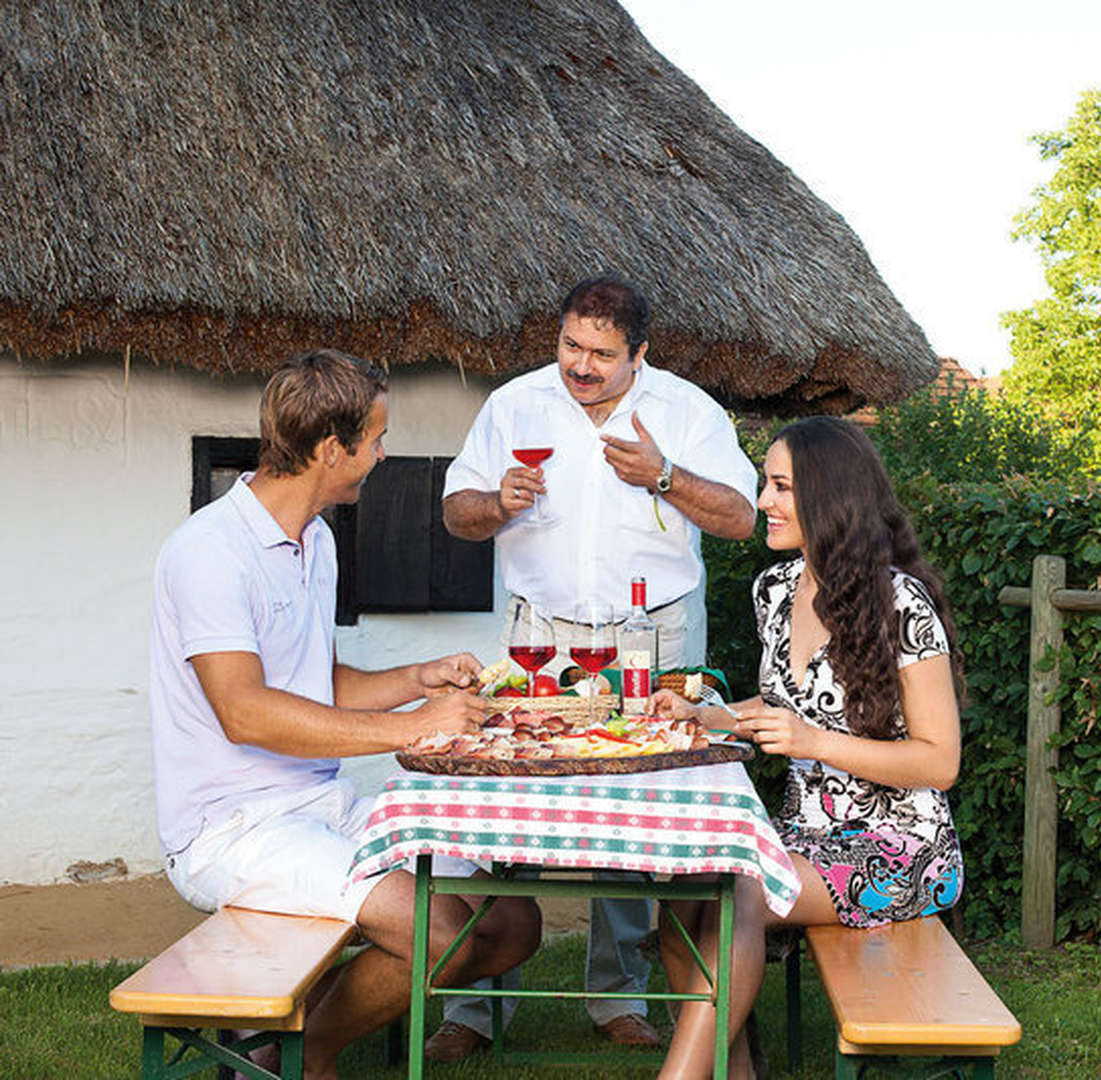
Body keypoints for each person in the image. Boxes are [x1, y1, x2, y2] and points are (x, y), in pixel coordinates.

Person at [149, 349, 542, 1080]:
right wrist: (415, 727)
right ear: (333, 450)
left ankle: (276, 1043)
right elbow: (247, 713)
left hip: (319, 805)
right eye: (377, 439)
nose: (384, 455)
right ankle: (307, 1055)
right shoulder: (209, 552)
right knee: (438, 932)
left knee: (513, 921)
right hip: (229, 829)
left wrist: (416, 680)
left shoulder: (317, 539)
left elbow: (313, 680)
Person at [435, 273, 757, 1058]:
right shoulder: (515, 405)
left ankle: (616, 998)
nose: (581, 366)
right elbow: (456, 512)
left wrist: (666, 477)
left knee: (645, 809)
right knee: (504, 793)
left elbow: (744, 517)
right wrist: (498, 502)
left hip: (658, 634)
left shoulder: (687, 412)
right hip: (540, 632)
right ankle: (473, 1010)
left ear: (639, 354)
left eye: (602, 355)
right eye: (571, 346)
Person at [647, 416, 965, 1079]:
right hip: (806, 836)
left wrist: (814, 743)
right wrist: (705, 715)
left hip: (899, 847)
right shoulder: (775, 590)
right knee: (682, 888)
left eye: (781, 486)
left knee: (739, 891)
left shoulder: (900, 604)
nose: (763, 501)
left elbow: (940, 760)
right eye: (768, 484)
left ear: (828, 495)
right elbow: (782, 707)